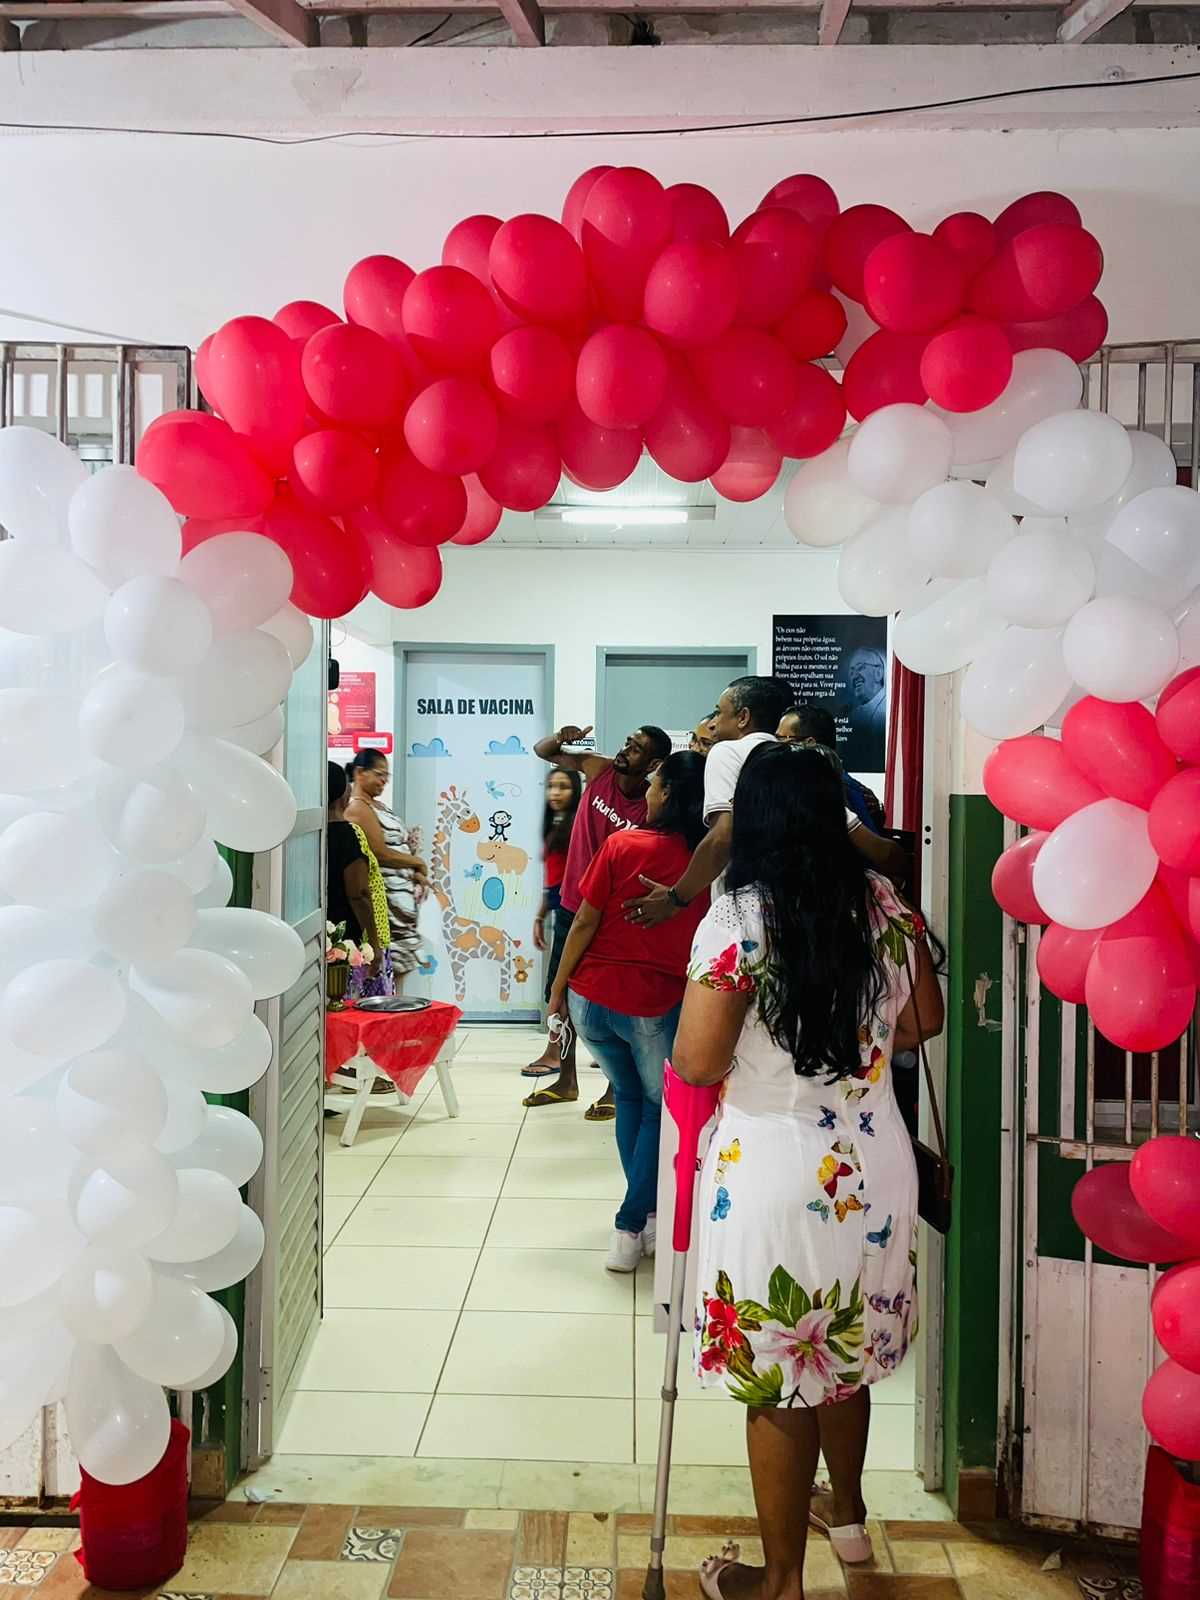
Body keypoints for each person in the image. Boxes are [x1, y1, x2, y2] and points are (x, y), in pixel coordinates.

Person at [672, 743, 944, 1599]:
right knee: (842, 1350)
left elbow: (697, 1057)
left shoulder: (738, 917)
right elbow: (923, 1021)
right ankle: (850, 1521)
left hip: (776, 1166)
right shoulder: (885, 903)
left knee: (781, 1370)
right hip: (875, 1160)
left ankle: (781, 1582)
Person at [546, 752, 710, 1273]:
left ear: (671, 796)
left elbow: (583, 923)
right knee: (658, 1108)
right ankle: (632, 1222)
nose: (649, 793)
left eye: (656, 786)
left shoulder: (621, 844)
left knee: (632, 1100)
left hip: (592, 1001)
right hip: (652, 1006)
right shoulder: (708, 861)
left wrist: (557, 991)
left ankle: (643, 1218)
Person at [524, 720, 673, 1116]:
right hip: (573, 902)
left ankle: (614, 1087)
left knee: (610, 998)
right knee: (563, 997)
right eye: (628, 741)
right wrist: (561, 738)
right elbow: (542, 752)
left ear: (654, 763)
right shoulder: (600, 769)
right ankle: (566, 1079)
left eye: (637, 748)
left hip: (610, 917)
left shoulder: (651, 806)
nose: (626, 749)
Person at [626, 675, 793, 928]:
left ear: (743, 717)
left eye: (719, 713)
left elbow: (721, 837)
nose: (713, 724)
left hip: (743, 912)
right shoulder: (796, 757)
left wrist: (675, 898)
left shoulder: (727, 752)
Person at [345, 750, 429, 990]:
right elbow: (380, 853)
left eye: (387, 776)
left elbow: (398, 848)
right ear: (360, 773)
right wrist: (418, 864)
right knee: (383, 979)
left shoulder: (378, 805)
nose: (384, 781)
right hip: (385, 906)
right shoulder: (358, 808)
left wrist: (416, 873)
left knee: (395, 978)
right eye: (379, 774)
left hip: (402, 909)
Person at [524, 766, 583, 1080]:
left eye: (563, 787)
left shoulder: (576, 826)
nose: (555, 793)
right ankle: (561, 1059)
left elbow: (570, 880)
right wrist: (540, 914)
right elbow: (553, 880)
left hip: (573, 916)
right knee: (562, 989)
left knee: (558, 989)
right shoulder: (556, 824)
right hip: (561, 911)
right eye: (551, 786)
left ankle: (554, 1055)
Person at [326, 762, 390, 995]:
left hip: (323, 939)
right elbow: (359, 893)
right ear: (344, 792)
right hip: (348, 944)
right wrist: (374, 943)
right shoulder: (348, 835)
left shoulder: (312, 834)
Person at [777, 705, 886, 831]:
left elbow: (870, 845)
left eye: (781, 738)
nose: (775, 744)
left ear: (809, 743)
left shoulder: (840, 787)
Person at [839, 645, 888, 773]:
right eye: (851, 672)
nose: (854, 676)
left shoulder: (889, 712)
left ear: (879, 673)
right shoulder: (852, 714)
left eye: (860, 668)